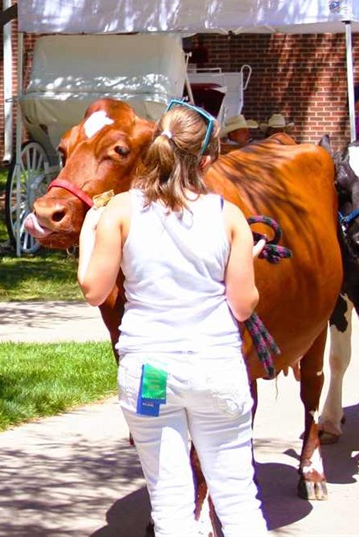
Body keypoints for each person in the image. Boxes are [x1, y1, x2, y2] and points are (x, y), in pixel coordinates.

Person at [77, 100, 267, 536]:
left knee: (169, 499)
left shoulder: (121, 211)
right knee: (237, 495)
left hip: (151, 373)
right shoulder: (228, 216)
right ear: (206, 158)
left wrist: (90, 233)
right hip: (215, 367)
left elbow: (95, 290)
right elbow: (243, 305)